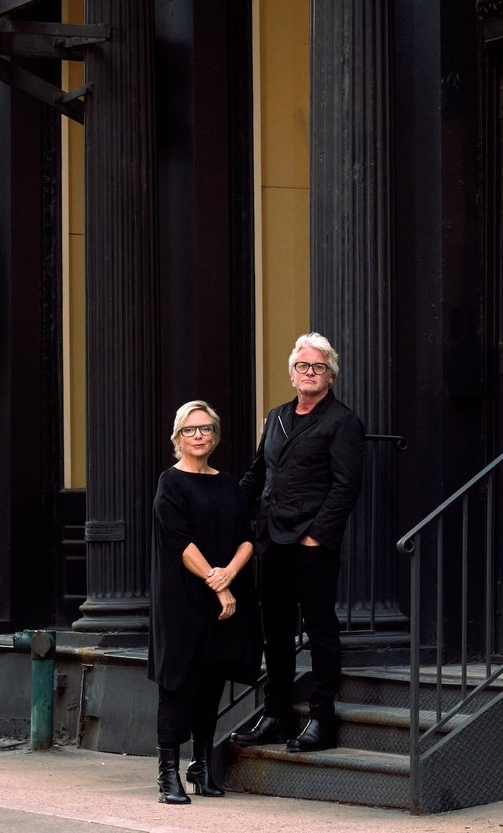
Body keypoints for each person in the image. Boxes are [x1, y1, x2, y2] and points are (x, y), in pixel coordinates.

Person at [231, 332, 365, 753]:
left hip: (312, 544)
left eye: (318, 367)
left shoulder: (342, 422)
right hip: (272, 540)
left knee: (320, 630)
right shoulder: (276, 417)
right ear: (292, 374)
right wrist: (223, 505)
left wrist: (316, 536)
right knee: (275, 632)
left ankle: (322, 719)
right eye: (303, 366)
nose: (309, 373)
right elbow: (258, 474)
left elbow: (345, 486)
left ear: (330, 376)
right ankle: (275, 715)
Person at [148, 400, 261, 805]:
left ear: (215, 436)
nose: (199, 436)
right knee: (177, 683)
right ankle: (167, 774)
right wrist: (219, 583)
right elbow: (179, 541)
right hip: (183, 600)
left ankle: (200, 766)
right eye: (190, 430)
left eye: (206, 429)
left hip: (223, 595)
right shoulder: (170, 482)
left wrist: (229, 573)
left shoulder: (228, 484)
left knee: (212, 681)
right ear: (177, 437)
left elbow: (248, 536)